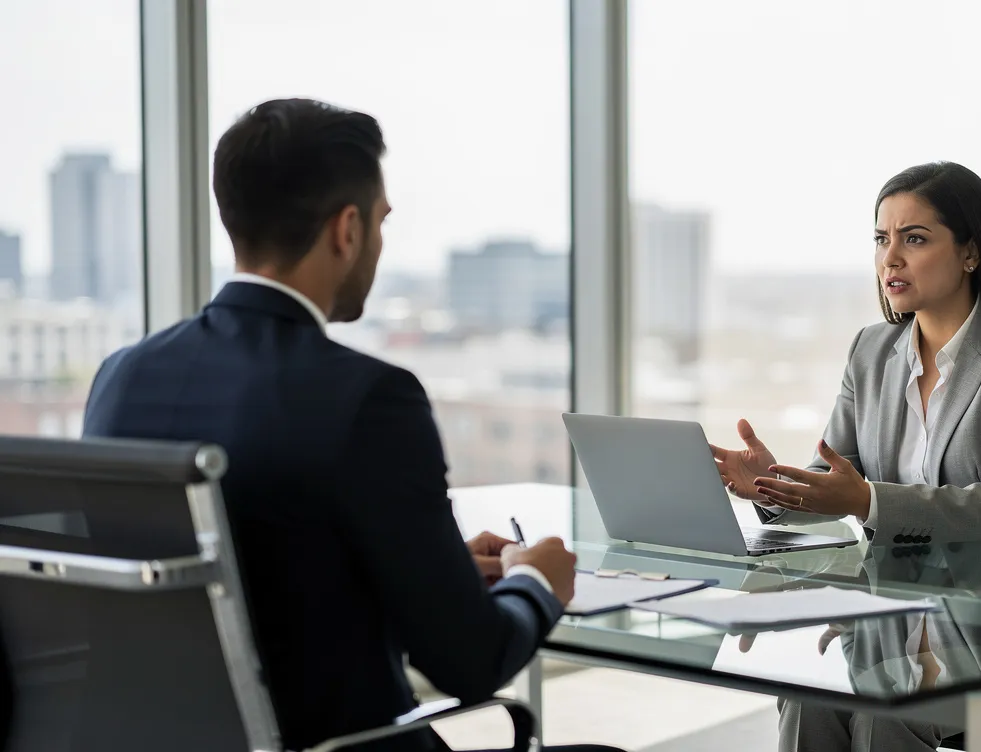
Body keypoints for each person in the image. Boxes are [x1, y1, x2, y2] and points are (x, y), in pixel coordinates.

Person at [83, 98, 621, 752]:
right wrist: (539, 581)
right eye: (381, 222)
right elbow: (471, 664)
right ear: (347, 229)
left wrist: (436, 571)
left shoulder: (120, 379)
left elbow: (262, 584)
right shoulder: (369, 400)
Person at [712, 161, 981, 751]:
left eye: (915, 239)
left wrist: (866, 499)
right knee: (810, 699)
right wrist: (773, 486)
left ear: (969, 252)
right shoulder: (871, 350)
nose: (891, 259)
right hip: (891, 615)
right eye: (882, 239)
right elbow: (832, 476)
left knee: (887, 715)